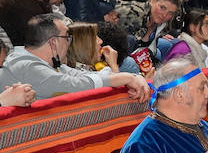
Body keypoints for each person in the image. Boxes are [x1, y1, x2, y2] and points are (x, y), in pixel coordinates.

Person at [0, 14, 150, 101]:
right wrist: (126, 77)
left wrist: (130, 76)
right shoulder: (26, 66)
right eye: (67, 37)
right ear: (53, 42)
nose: (69, 43)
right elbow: (72, 86)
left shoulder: (47, 63)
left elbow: (80, 75)